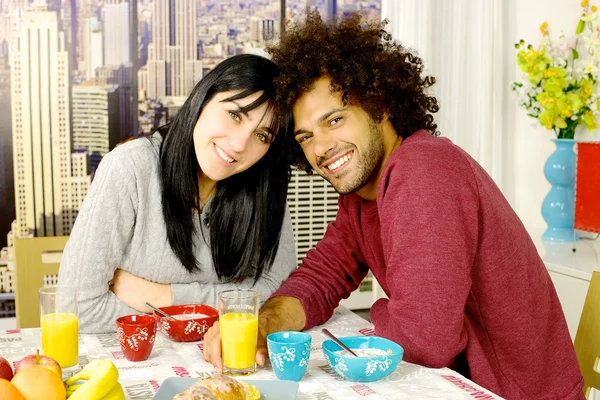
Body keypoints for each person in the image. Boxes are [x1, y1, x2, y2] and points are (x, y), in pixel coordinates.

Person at [203, 13, 585, 399]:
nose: (320, 148)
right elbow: (321, 278)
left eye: (334, 120)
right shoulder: (361, 195)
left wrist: (383, 309)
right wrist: (264, 322)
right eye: (305, 137)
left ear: (379, 106)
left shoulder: (424, 169)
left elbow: (424, 342)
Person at [58, 54, 297, 334]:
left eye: (262, 136)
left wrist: (163, 298)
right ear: (202, 99)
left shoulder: (264, 185)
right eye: (235, 115)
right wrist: (221, 307)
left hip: (227, 362)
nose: (239, 143)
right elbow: (77, 310)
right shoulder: (130, 168)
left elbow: (280, 296)